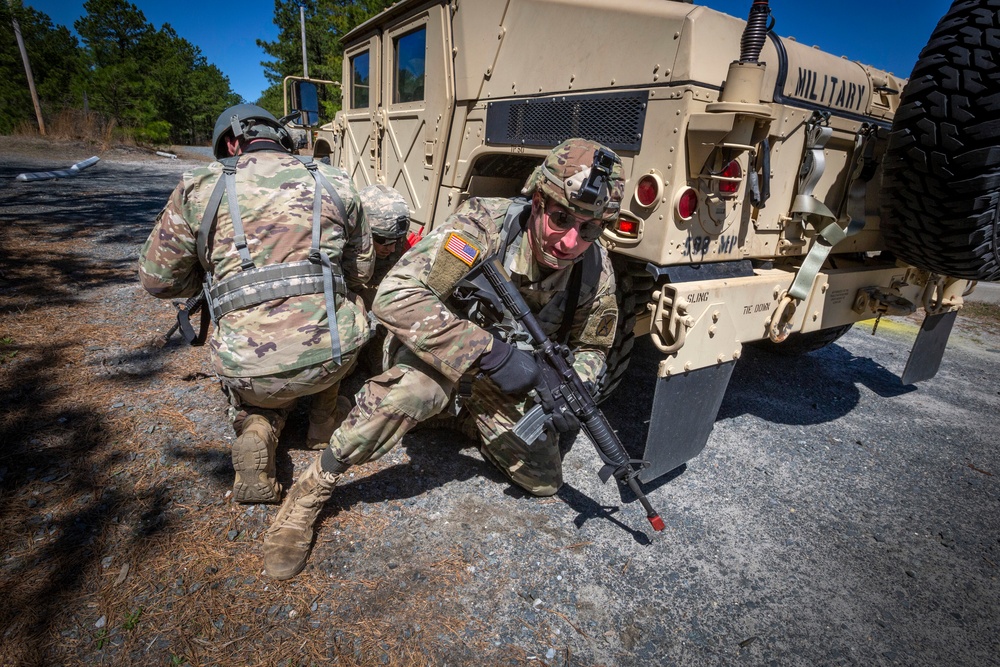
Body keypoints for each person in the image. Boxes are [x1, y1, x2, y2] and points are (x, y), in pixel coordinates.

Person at [263, 138, 624, 579]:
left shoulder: (594, 267)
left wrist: (574, 387)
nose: (570, 240)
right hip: (437, 353)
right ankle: (310, 490)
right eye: (561, 218)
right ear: (537, 200)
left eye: (588, 229)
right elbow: (396, 295)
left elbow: (594, 345)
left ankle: (467, 416)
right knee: (413, 394)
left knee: (544, 482)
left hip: (508, 375)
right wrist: (486, 350)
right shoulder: (481, 229)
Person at [138, 104, 373, 504]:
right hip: (331, 356)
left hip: (249, 369)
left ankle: (256, 426)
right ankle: (322, 422)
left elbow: (157, 281)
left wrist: (218, 278)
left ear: (231, 143)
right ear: (280, 138)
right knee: (348, 305)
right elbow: (361, 272)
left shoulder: (199, 185)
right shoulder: (335, 180)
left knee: (259, 378)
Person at [356, 184, 413, 373]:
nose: (390, 248)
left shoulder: (399, 244)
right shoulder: (342, 246)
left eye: (396, 240)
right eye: (383, 240)